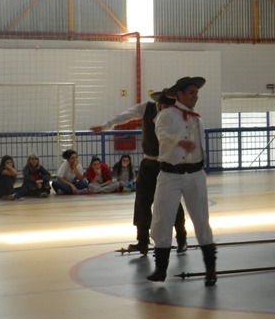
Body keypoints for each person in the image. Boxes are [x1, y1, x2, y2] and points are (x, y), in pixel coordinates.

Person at [91, 96, 187, 255]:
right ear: (158, 102)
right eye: (163, 105)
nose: (165, 108)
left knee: (172, 201)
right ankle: (142, 240)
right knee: (142, 202)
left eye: (168, 106)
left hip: (167, 164)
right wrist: (106, 125)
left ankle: (182, 237)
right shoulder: (147, 108)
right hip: (148, 164)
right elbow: (126, 115)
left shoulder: (175, 114)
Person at [147, 76, 217, 285]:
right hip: (170, 175)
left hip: (195, 174)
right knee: (162, 218)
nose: (195, 96)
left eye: (196, 93)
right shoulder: (166, 115)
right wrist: (179, 142)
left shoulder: (197, 119)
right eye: (191, 93)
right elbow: (162, 134)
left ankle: (210, 271)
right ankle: (161, 269)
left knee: (201, 219)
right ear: (179, 94)